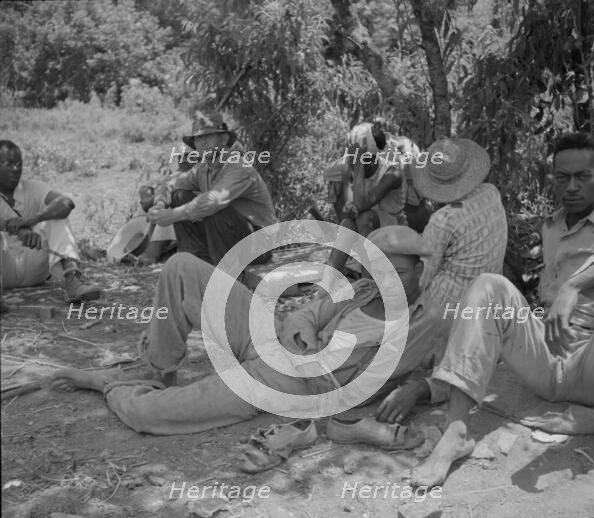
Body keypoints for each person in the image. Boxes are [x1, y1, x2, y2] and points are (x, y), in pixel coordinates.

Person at [52, 226, 450, 437]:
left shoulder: (426, 320)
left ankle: (110, 385)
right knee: (182, 267)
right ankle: (157, 368)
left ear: (420, 271)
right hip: (277, 338)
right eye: (379, 269)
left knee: (146, 414)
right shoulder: (361, 290)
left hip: (293, 383)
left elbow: (452, 374)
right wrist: (301, 336)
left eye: (398, 272)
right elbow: (306, 314)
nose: (387, 280)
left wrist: (418, 389)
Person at [395, 132, 594, 488]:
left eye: (582, 177)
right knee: (488, 285)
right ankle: (457, 433)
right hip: (550, 361)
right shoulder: (552, 224)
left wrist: (577, 285)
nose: (571, 186)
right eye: (562, 177)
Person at [146, 110, 276, 266]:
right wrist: (160, 203)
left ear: (223, 139)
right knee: (180, 196)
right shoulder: (203, 168)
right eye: (199, 138)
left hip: (258, 246)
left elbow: (212, 201)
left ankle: (224, 275)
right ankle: (196, 259)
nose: (203, 142)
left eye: (208, 136)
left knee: (212, 208)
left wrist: (172, 215)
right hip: (234, 239)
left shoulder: (239, 167)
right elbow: (172, 182)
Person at [0, 140, 101, 302]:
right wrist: (19, 230)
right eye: (9, 164)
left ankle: (73, 281)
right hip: (5, 270)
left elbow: (66, 203)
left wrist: (33, 219)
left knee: (57, 218)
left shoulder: (33, 187)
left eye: (19, 164)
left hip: (35, 268)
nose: (15, 169)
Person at [413, 138, 508, 308]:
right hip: (491, 295)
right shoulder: (491, 192)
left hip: (450, 305)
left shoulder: (444, 220)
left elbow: (423, 278)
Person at [324, 121, 415, 279]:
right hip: (364, 236)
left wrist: (358, 164)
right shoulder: (347, 171)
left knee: (365, 217)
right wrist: (346, 209)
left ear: (374, 157)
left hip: (393, 232)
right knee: (347, 223)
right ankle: (326, 285)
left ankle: (367, 283)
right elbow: (345, 218)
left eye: (360, 159)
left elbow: (361, 204)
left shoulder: (392, 173)